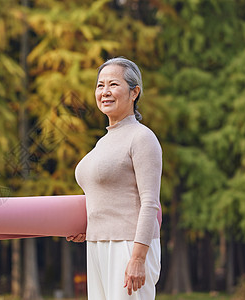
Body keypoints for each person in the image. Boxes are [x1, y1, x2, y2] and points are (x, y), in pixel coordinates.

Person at [67, 57, 162, 299]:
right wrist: (87, 228)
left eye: (113, 85)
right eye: (100, 85)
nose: (105, 92)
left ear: (134, 92)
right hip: (98, 245)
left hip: (129, 246)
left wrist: (138, 258)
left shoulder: (142, 138)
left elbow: (150, 202)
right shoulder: (102, 142)